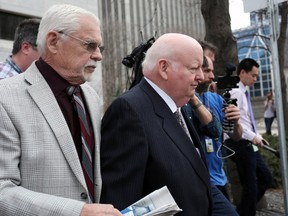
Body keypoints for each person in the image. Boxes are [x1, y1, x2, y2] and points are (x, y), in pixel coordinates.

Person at [0, 4, 121, 216]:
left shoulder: (90, 97)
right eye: (90, 45)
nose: (99, 56)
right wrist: (78, 211)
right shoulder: (6, 97)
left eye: (100, 47)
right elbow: (3, 191)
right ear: (53, 41)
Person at [100, 33, 213, 216]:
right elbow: (121, 202)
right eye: (194, 68)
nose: (201, 76)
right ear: (164, 68)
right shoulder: (128, 111)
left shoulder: (177, 106)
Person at [183, 56, 242, 216]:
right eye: (207, 70)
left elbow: (236, 136)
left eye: (212, 71)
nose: (211, 76)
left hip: (219, 177)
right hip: (198, 181)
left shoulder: (216, 98)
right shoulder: (182, 102)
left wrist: (235, 122)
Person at [224, 58, 272, 216]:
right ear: (242, 72)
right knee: (251, 186)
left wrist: (257, 136)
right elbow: (234, 123)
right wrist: (253, 136)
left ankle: (242, 211)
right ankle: (245, 212)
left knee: (264, 176)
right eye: (253, 75)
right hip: (239, 143)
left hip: (248, 142)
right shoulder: (236, 92)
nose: (255, 79)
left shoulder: (243, 92)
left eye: (257, 76)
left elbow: (246, 120)